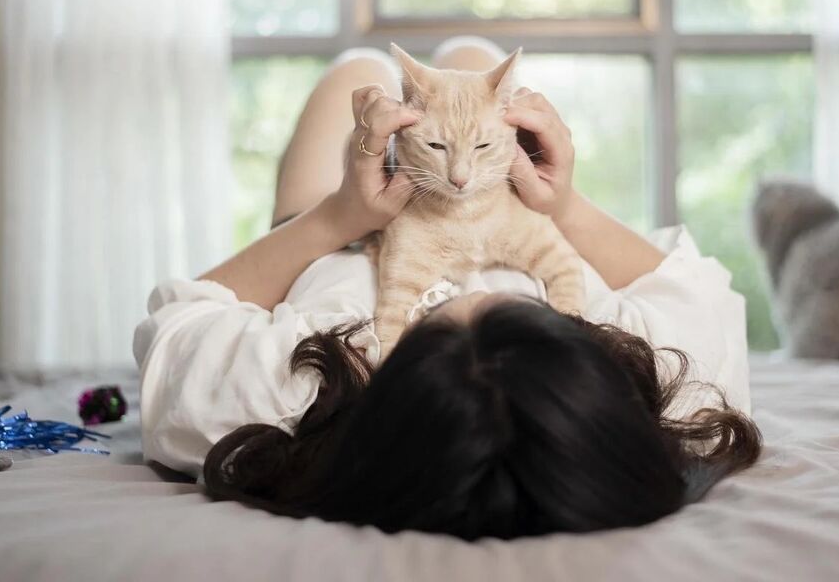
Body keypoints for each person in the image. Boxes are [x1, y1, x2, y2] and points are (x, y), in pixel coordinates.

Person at [133, 37, 760, 541]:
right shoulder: (672, 387)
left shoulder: (291, 391)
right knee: (473, 59)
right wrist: (562, 204)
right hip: (498, 197)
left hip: (334, 239)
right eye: (520, 323)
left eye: (444, 335)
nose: (473, 300)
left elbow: (180, 317)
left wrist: (335, 218)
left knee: (356, 67)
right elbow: (696, 289)